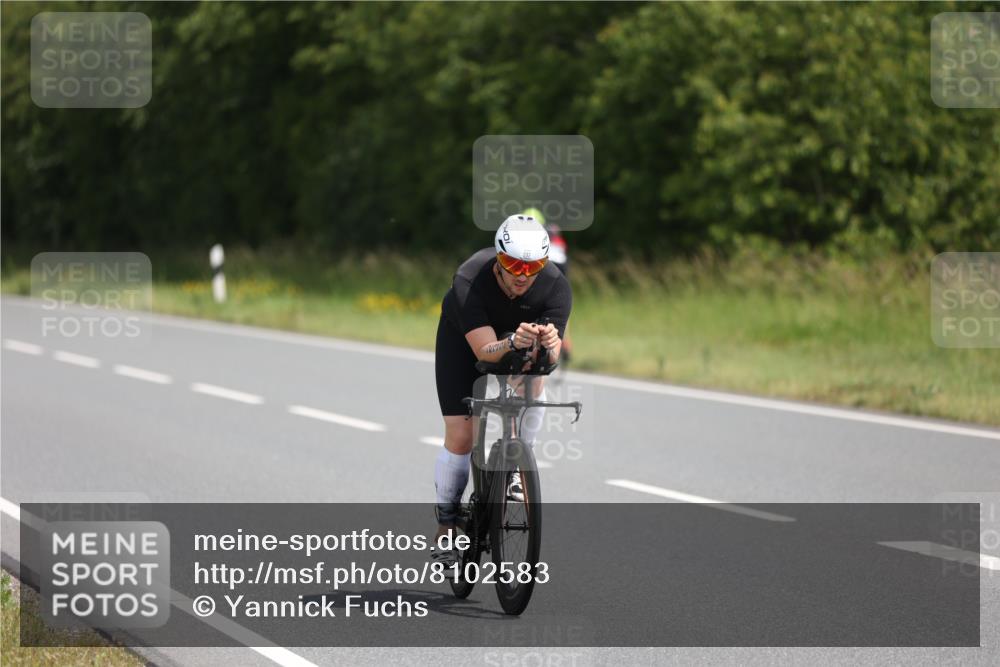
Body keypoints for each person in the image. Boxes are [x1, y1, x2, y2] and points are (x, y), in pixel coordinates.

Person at [431, 214, 572, 566]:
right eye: (512, 264)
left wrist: (551, 344)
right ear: (498, 258)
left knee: (536, 373)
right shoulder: (469, 278)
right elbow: (483, 353)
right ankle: (447, 523)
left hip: (518, 336)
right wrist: (510, 341)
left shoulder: (556, 286)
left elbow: (552, 358)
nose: (522, 275)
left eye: (533, 266)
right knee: (462, 435)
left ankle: (519, 464)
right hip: (467, 341)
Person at [523, 208, 573, 362]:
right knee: (560, 305)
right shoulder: (553, 231)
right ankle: (565, 342)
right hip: (561, 268)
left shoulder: (528, 237)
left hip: (548, 265)